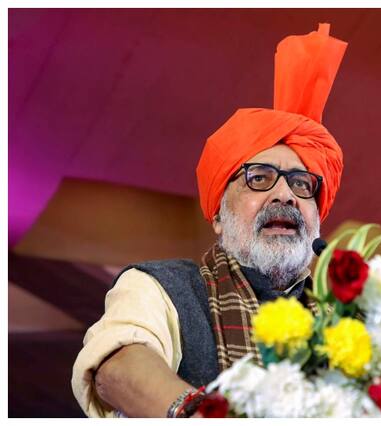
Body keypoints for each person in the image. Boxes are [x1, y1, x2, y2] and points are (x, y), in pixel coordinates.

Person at [71, 23, 347, 418]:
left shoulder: (345, 320)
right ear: (218, 214)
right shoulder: (161, 287)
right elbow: (118, 367)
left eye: (301, 183)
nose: (285, 195)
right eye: (260, 178)